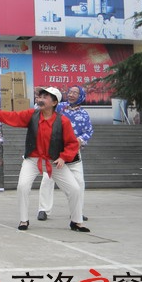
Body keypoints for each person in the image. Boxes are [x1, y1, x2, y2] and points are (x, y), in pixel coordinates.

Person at [0, 86, 89, 232]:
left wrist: (63, 157)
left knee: (75, 189)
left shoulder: (63, 121)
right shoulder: (32, 115)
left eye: (45, 97)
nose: (40, 100)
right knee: (22, 186)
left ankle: (76, 222)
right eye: (40, 97)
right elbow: (13, 117)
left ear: (54, 102)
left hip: (53, 161)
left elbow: (72, 143)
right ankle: (23, 220)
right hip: (32, 160)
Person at [37, 84, 93, 222]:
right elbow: (42, 112)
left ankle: (77, 211)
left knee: (79, 181)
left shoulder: (84, 114)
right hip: (54, 149)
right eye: (70, 92)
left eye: (75, 93)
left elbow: (88, 132)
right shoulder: (59, 107)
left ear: (81, 96)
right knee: (47, 179)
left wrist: (80, 140)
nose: (71, 94)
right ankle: (43, 210)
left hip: (73, 151)